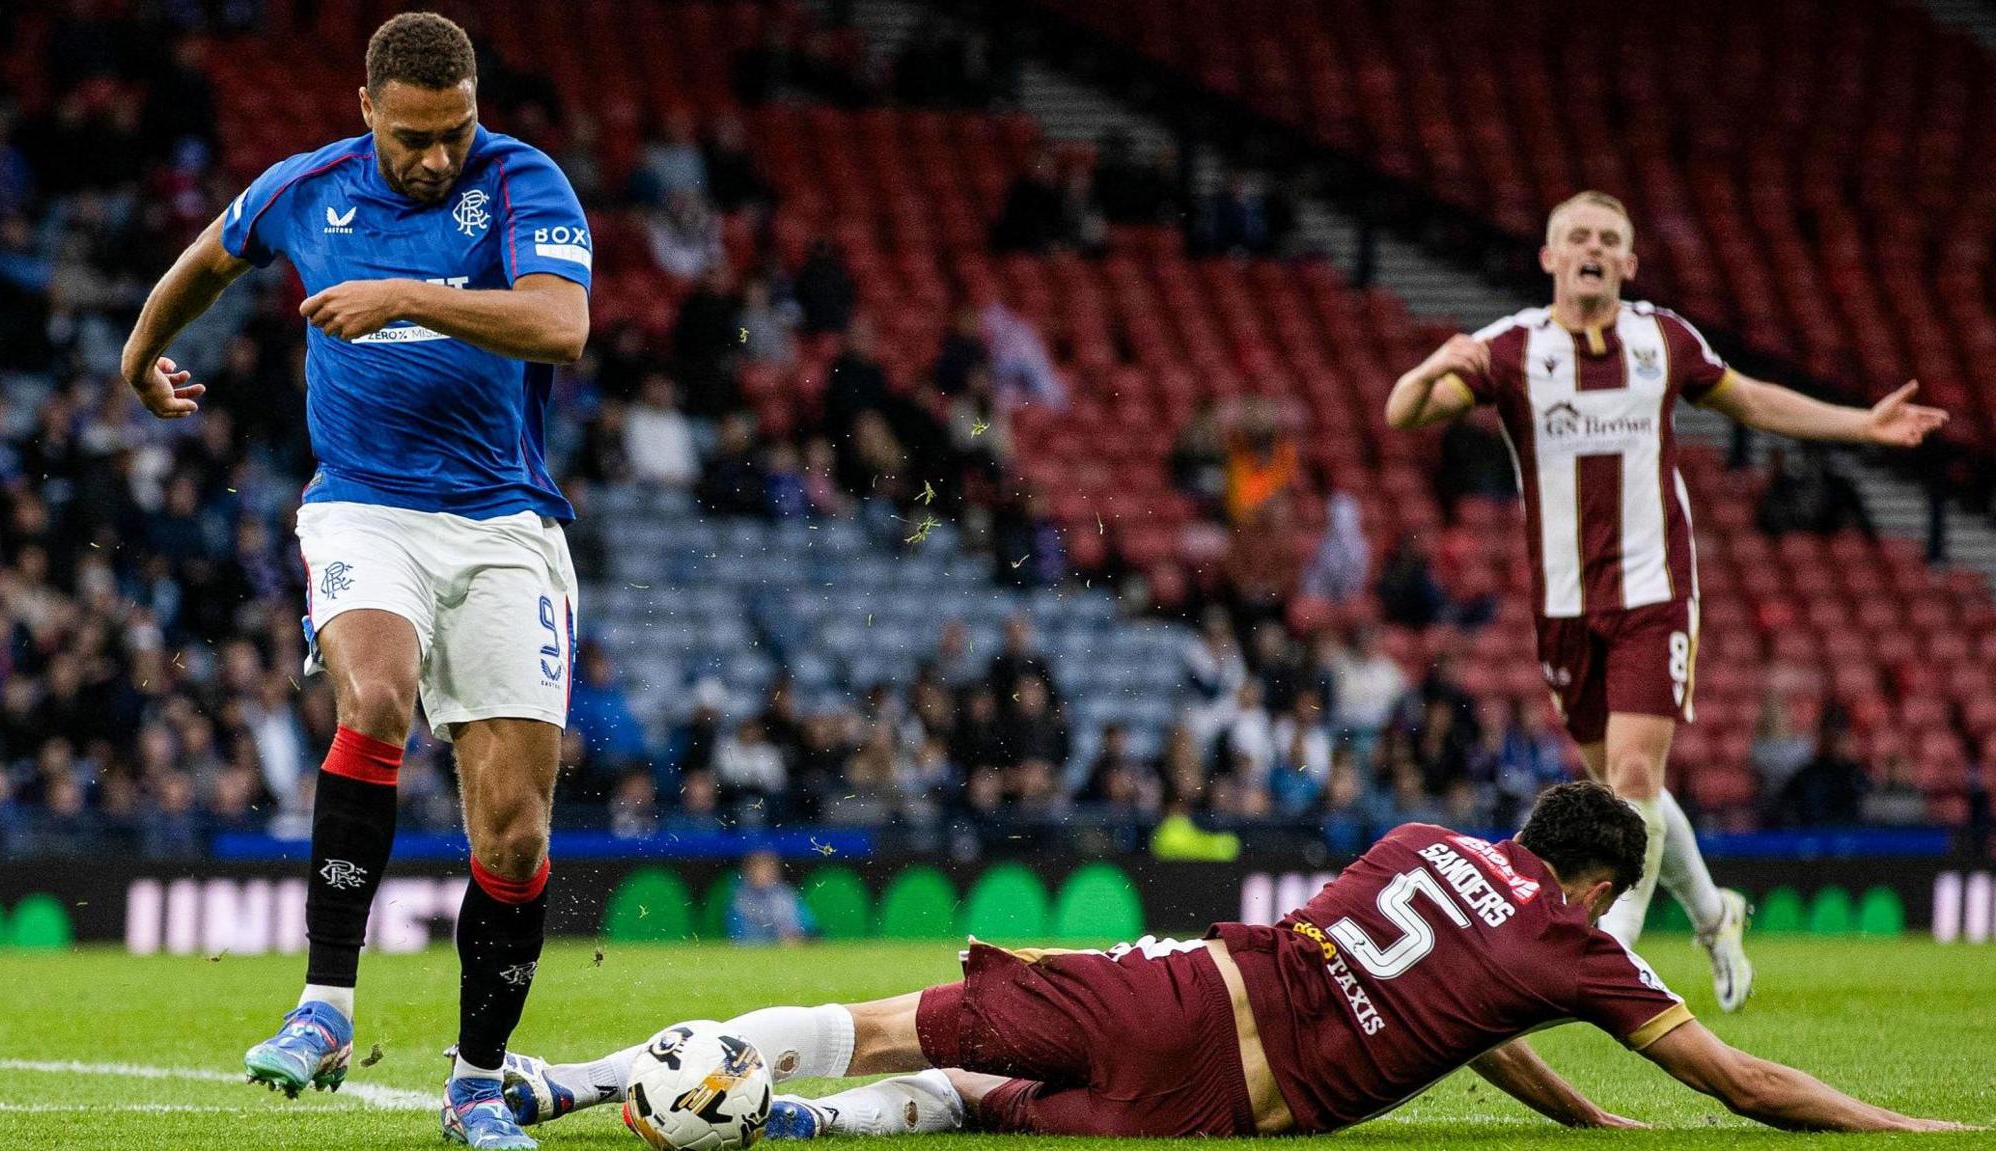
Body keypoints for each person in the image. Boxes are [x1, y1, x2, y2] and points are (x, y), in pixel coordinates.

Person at [117, 14, 592, 1148]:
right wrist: (138, 362)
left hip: (503, 524)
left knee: (514, 836)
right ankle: (325, 1005)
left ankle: (476, 1082)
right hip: (362, 504)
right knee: (373, 696)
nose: (437, 156)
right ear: (367, 106)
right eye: (415, 135)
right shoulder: (306, 186)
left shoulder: (522, 180)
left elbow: (560, 326)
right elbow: (204, 263)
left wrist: (406, 294)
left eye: (456, 130)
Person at [494, 781, 1972, 1138]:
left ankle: (559, 1081)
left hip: (1184, 975)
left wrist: (1573, 1108)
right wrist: (1906, 1122)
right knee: (969, 1103)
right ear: (1596, 879)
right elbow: (1747, 1078)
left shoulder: (1417, 835)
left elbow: (1461, 1002)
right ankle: (795, 1125)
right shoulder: (1567, 945)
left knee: (868, 1021)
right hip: (1220, 1093)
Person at [1383, 190, 1949, 1012]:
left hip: (1654, 589)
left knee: (1638, 774)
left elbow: (1751, 400)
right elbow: (1402, 414)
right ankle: (1716, 914)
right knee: (1620, 783)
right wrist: (1439, 361)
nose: (1593, 247)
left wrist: (1862, 426)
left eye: (1609, 238)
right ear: (1548, 257)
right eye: (1576, 235)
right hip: (1564, 603)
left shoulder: (1662, 338)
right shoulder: (1510, 349)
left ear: (1629, 262)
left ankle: (1611, 956)